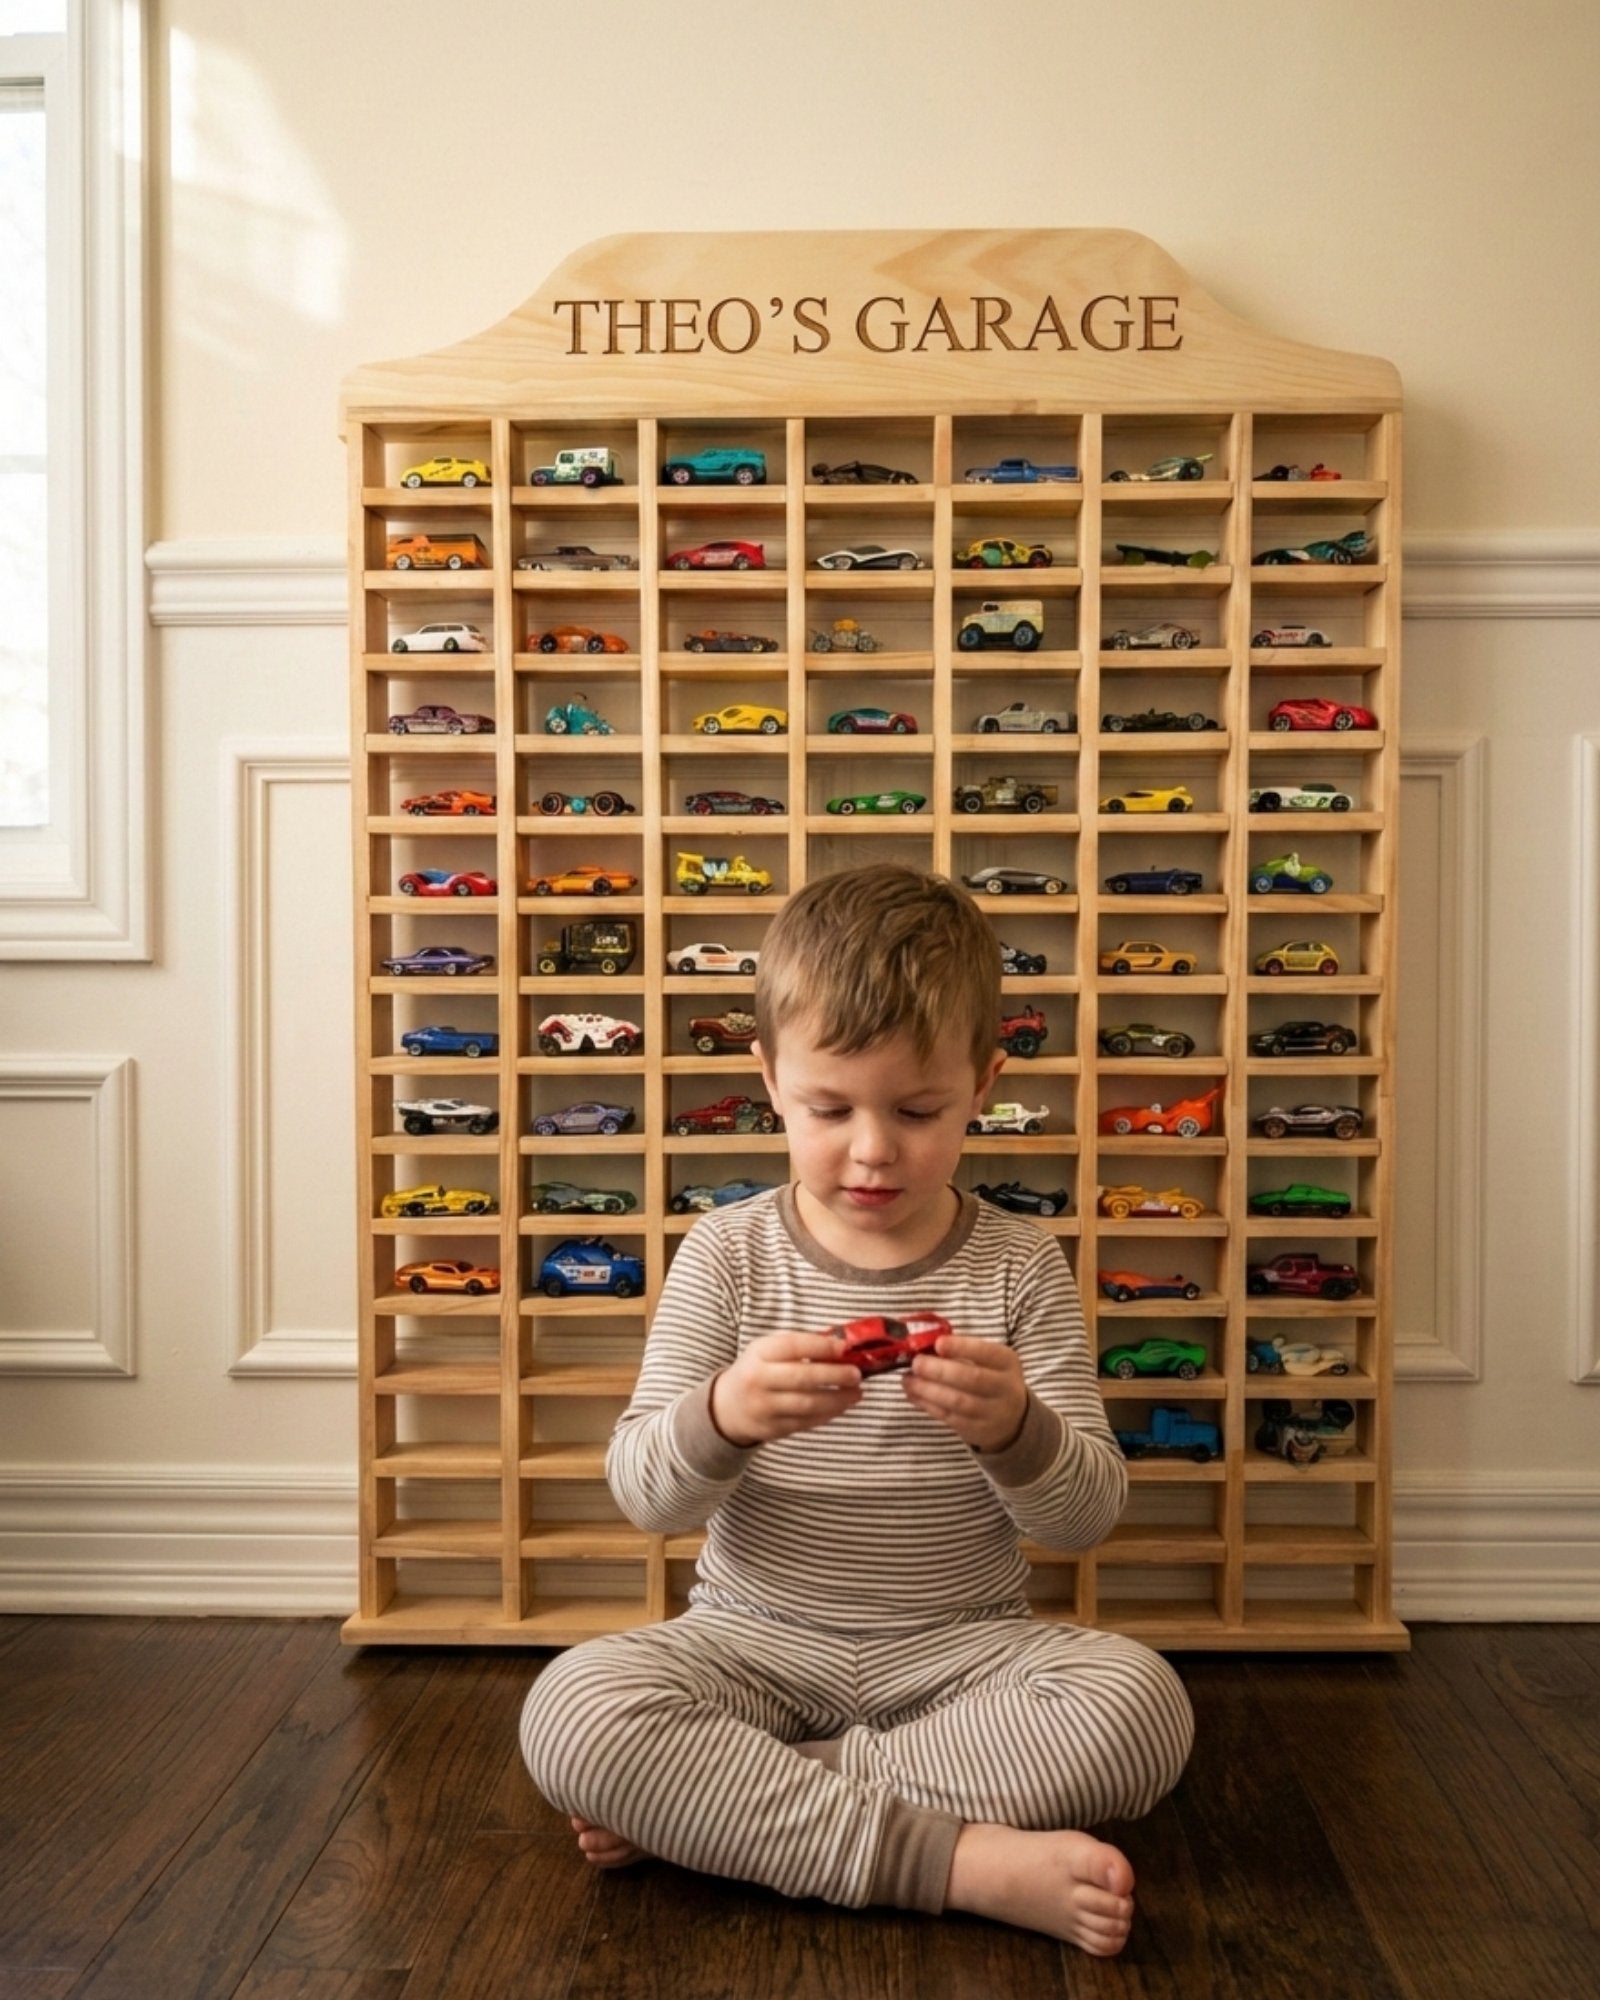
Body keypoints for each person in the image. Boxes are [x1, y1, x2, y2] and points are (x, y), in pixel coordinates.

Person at [520, 865, 1193, 1954]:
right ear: (769, 1079)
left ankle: (726, 1811)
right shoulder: (726, 1255)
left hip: (964, 1655)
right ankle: (957, 1862)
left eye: (917, 1109)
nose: (873, 1148)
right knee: (572, 1706)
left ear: (984, 1082)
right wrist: (725, 1414)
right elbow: (645, 1495)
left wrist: (1015, 1426)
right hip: (752, 1646)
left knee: (1140, 1706)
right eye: (830, 1107)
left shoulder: (1020, 1264)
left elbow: (1083, 1518)